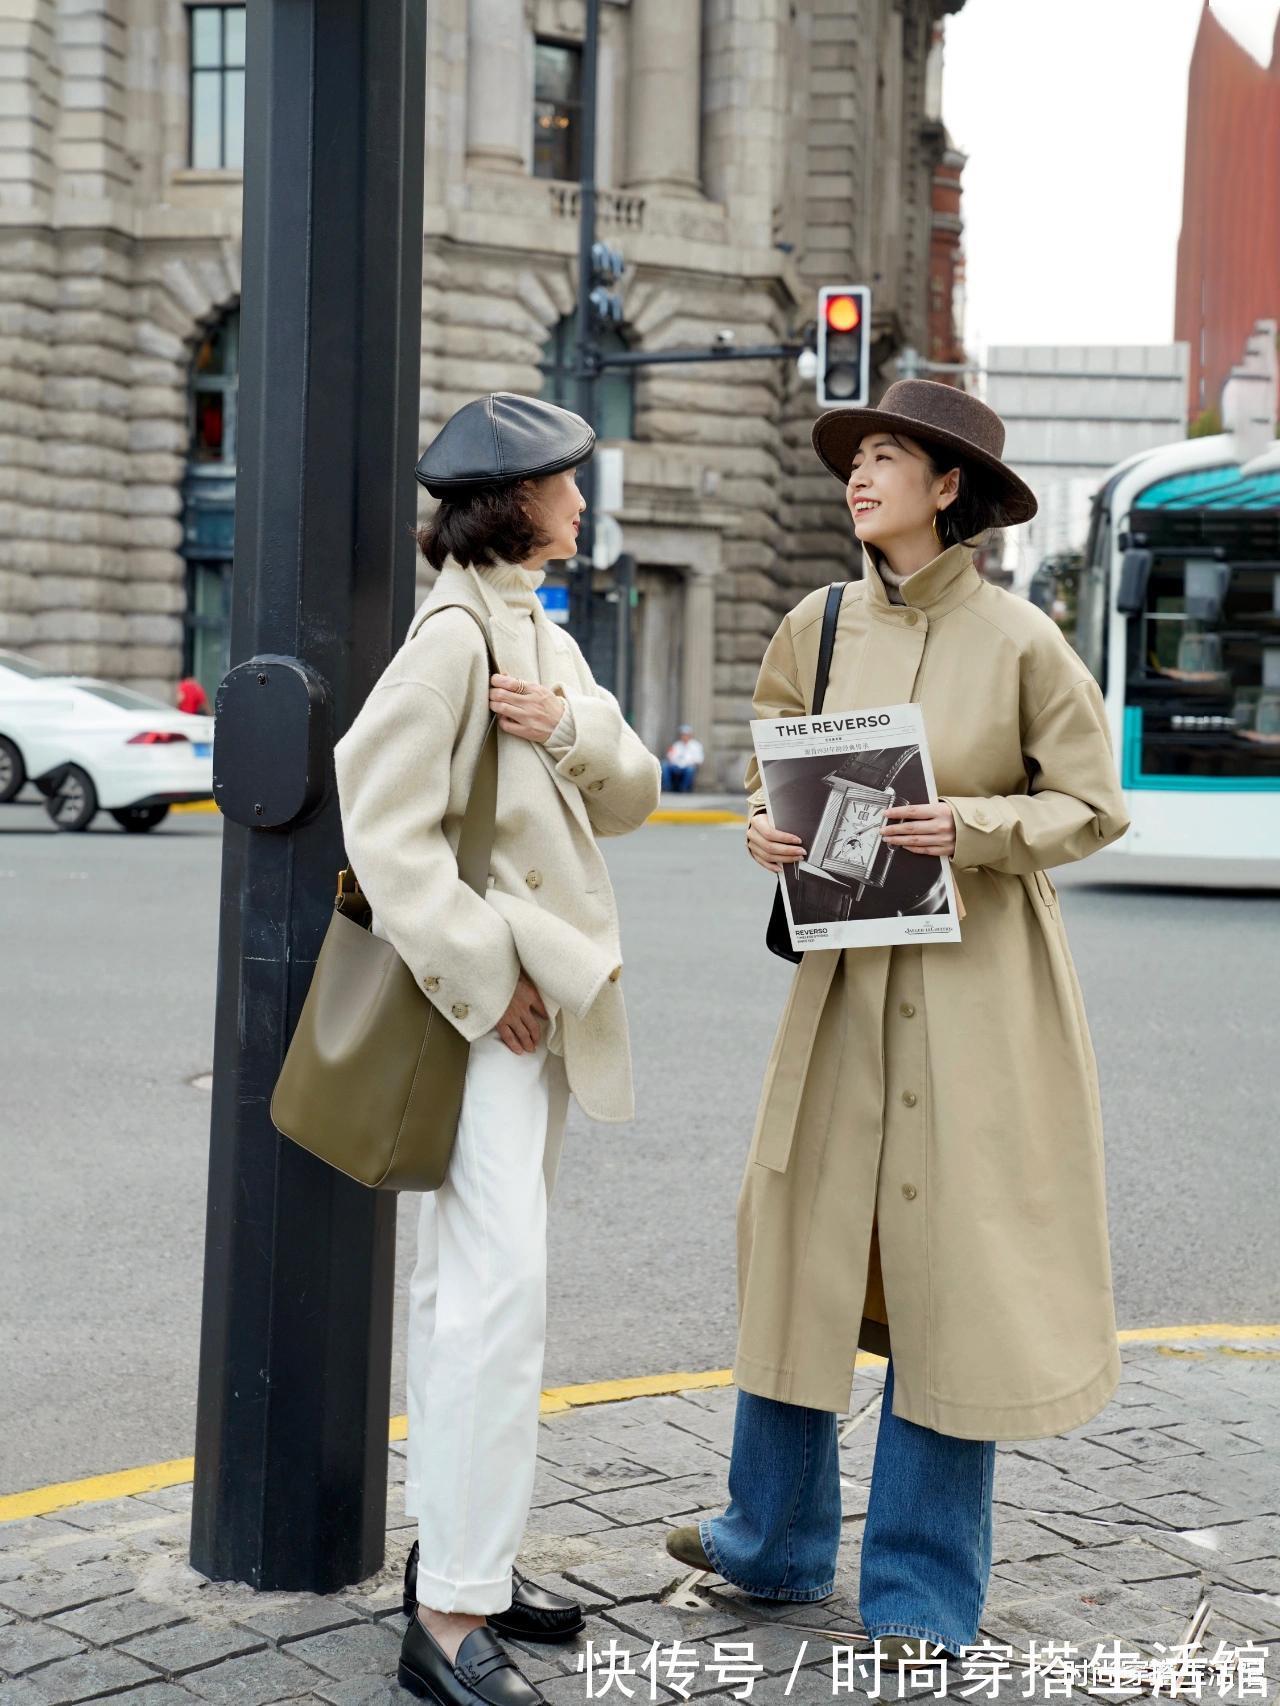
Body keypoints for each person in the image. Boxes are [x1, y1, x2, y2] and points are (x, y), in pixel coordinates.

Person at [664, 379, 1131, 1663]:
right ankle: (767, 1539)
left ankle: (919, 1597)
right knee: (796, 1251)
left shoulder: (1021, 640)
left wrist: (966, 825)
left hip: (980, 993)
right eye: (854, 458)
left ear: (947, 488)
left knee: (951, 1280)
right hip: (841, 983)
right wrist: (762, 826)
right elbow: (772, 762)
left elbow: (1091, 804)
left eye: (884, 457)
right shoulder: (813, 624)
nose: (858, 477)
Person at [333, 393, 661, 1706]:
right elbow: (381, 819)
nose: (582, 498)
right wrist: (486, 973)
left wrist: (562, 724)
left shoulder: (537, 632)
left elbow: (634, 791)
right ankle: (450, 1615)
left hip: (531, 1012)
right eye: (567, 481)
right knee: (492, 1294)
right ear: (517, 498)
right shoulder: (451, 638)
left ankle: (461, 1555)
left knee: (464, 1291)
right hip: (489, 1014)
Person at [662, 723, 704, 793]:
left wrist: (690, 762)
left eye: (686, 734)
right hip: (675, 766)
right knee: (664, 765)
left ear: (690, 735)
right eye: (683, 734)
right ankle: (667, 787)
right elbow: (669, 755)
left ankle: (684, 788)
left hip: (687, 766)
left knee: (690, 770)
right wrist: (672, 761)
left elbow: (700, 760)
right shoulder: (676, 744)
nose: (684, 736)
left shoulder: (696, 746)